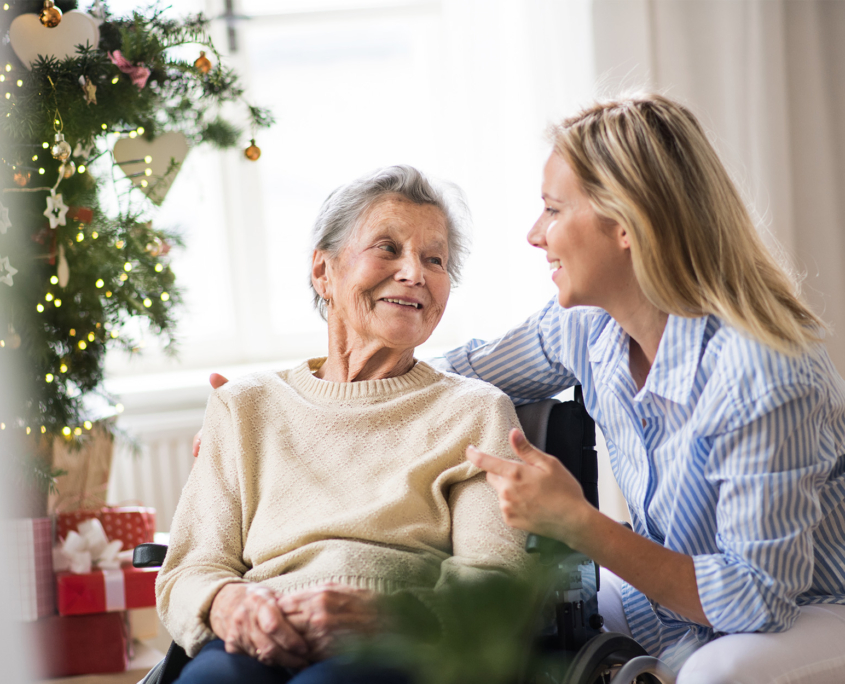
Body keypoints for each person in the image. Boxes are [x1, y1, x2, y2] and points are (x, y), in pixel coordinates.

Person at [455, 94, 845, 683]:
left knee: (718, 674)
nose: (535, 235)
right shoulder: (588, 326)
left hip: (812, 608)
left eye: (553, 210)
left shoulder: (764, 371)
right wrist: (336, 367)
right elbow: (464, 373)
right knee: (524, 623)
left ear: (626, 225)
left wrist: (577, 521)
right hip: (686, 604)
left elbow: (756, 599)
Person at [157, 165, 528, 684]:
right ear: (323, 272)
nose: (414, 273)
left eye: (434, 259)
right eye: (387, 247)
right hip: (256, 637)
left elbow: (495, 585)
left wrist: (388, 618)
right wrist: (226, 604)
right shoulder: (245, 405)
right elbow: (190, 568)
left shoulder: (477, 413)